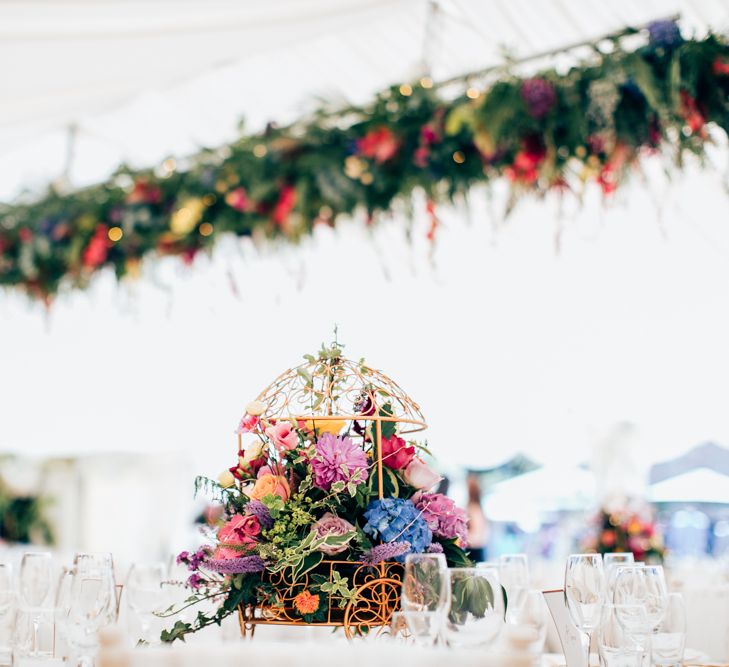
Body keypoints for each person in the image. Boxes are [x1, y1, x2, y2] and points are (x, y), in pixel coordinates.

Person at [466, 473, 489, 562]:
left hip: (475, 549)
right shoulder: (477, 508)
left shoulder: (474, 509)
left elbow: (477, 535)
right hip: (477, 548)